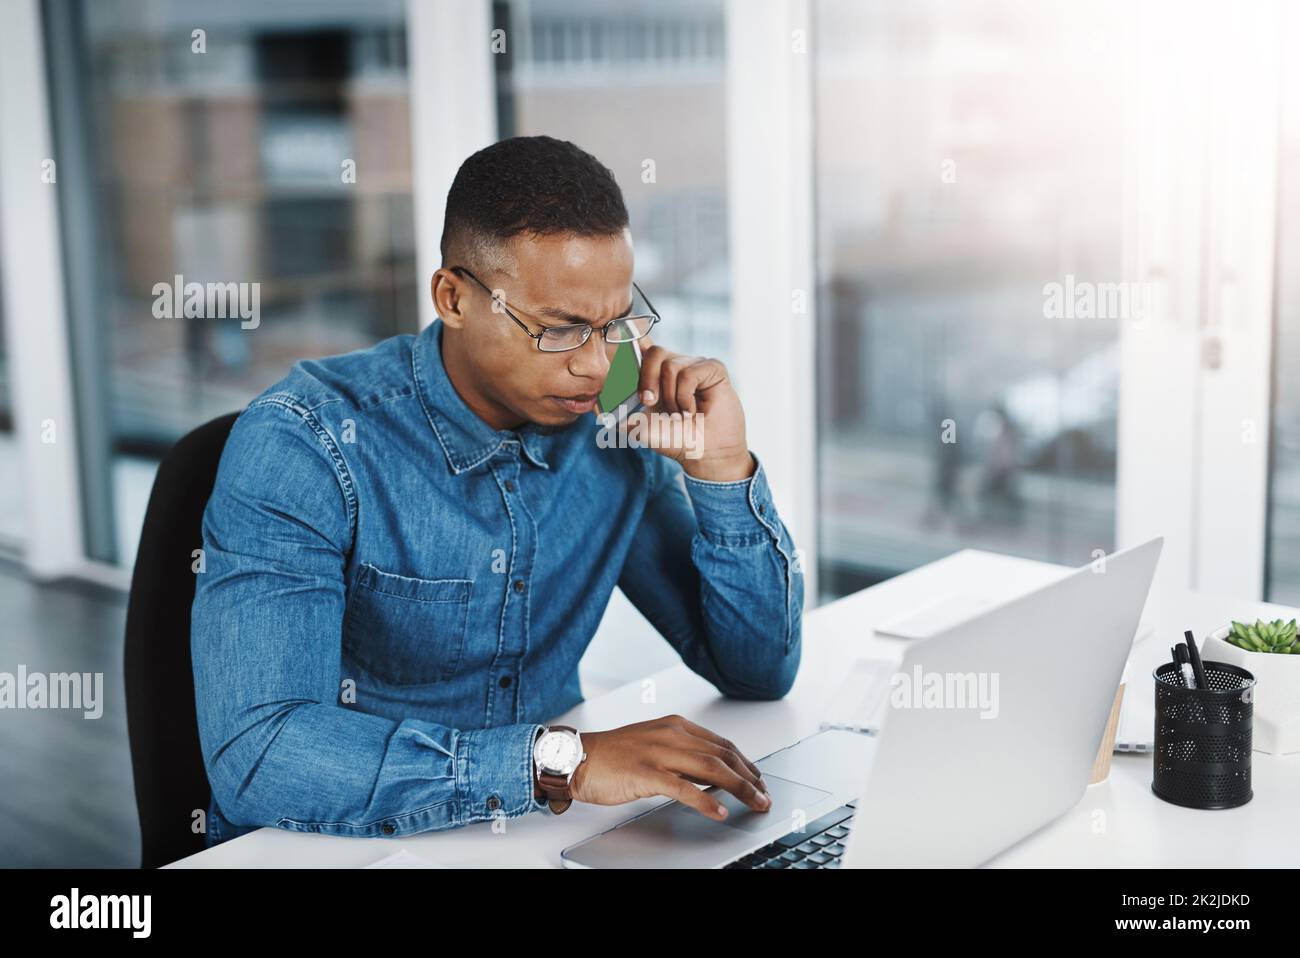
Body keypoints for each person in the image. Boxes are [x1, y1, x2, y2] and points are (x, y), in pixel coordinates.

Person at [190, 136, 803, 848]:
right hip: (336, 846)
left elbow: (756, 671)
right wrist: (559, 763)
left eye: (614, 325)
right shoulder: (305, 445)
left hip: (536, 838)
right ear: (453, 297)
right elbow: (259, 753)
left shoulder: (609, 424)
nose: (598, 365)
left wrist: (721, 469)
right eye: (562, 330)